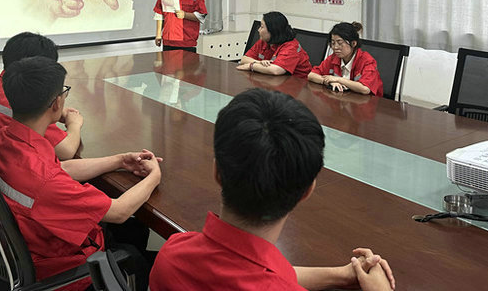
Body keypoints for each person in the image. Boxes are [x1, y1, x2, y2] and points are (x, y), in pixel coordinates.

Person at [149, 88, 395, 291]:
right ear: (307, 191)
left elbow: (252, 272)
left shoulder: (171, 255)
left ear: (217, 172)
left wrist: (341, 275)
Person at [0, 56, 162, 290]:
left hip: (29, 245)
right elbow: (119, 211)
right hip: (65, 268)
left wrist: (119, 160)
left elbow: (61, 168)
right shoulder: (45, 181)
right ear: (57, 103)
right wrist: (154, 177)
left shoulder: (2, 139)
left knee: (134, 231)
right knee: (138, 254)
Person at [0, 31, 83, 158]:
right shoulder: (24, 100)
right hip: (1, 165)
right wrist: (74, 124)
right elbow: (66, 150)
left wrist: (53, 113)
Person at [308, 22, 383, 96]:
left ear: (353, 43)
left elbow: (365, 89)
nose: (335, 47)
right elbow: (311, 75)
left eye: (340, 43)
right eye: (333, 43)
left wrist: (338, 79)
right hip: (343, 98)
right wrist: (329, 81)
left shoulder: (367, 61)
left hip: (368, 101)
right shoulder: (334, 57)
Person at [236, 12, 312, 78]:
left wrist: (251, 66)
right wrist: (259, 62)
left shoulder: (291, 46)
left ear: (273, 30)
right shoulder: (264, 41)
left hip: (298, 85)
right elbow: (244, 59)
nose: (258, 30)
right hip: (274, 80)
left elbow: (276, 70)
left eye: (262, 27)